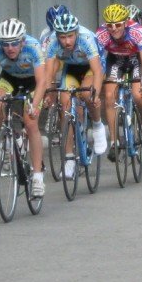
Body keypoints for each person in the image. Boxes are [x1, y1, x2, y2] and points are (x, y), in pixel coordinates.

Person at [0, 18, 47, 197]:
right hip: (10, 78)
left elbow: (42, 82)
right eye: (5, 44)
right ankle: (7, 141)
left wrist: (34, 106)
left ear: (22, 41)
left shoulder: (33, 48)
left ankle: (37, 177)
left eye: (14, 43)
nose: (10, 48)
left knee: (30, 123)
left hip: (32, 83)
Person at [39, 11, 107, 179]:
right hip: (71, 68)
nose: (66, 41)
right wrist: (48, 95)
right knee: (65, 105)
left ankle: (98, 125)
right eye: (62, 37)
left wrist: (96, 95)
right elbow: (48, 73)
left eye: (70, 36)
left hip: (92, 67)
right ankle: (69, 158)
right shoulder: (52, 42)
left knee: (86, 94)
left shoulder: (86, 39)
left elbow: (98, 72)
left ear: (76, 33)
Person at [96, 3, 142, 156]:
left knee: (138, 94)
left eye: (118, 24)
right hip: (115, 61)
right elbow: (99, 63)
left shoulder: (137, 31)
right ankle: (114, 142)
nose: (113, 28)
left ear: (126, 22)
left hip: (135, 60)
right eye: (110, 25)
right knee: (109, 96)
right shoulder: (101, 34)